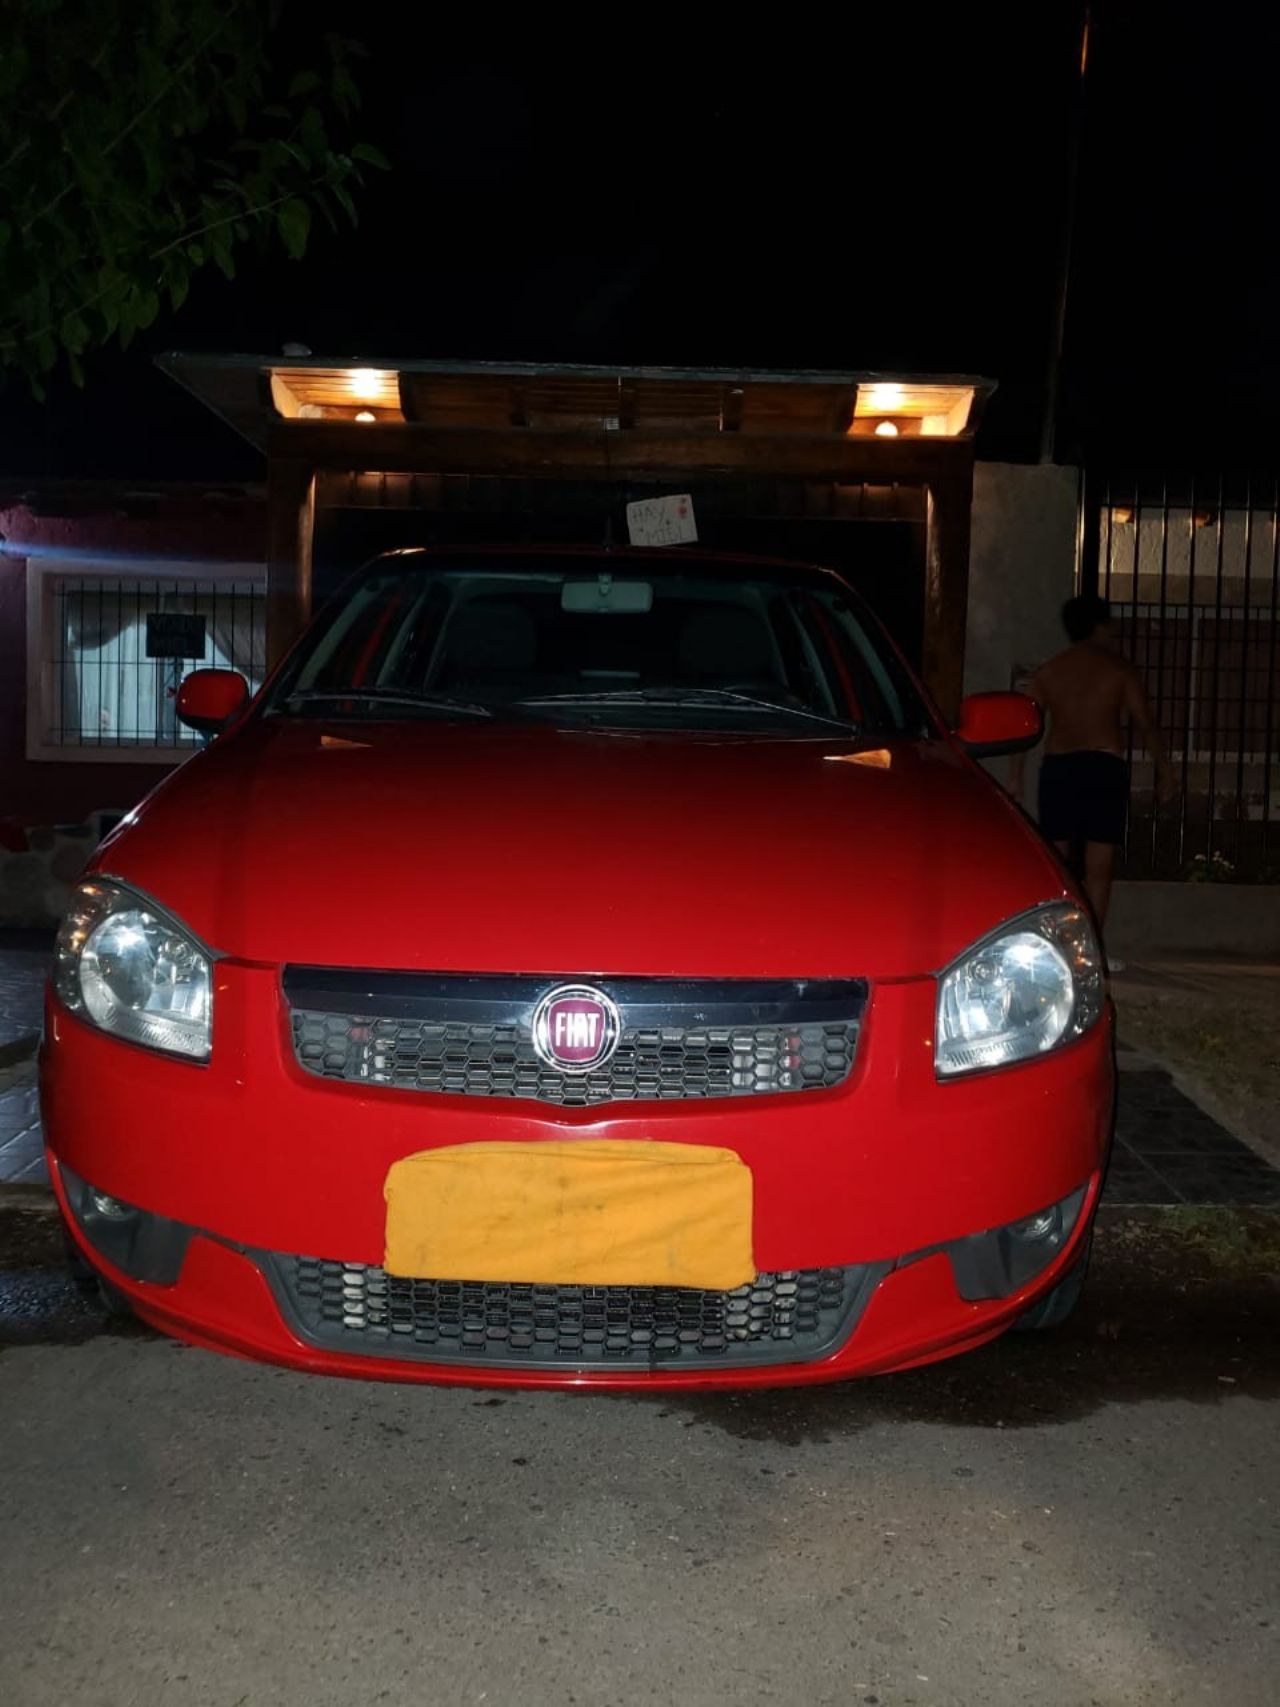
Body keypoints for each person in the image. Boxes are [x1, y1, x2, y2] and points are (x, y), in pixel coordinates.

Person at [1008, 594, 1176, 936]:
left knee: (1058, 861)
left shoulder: (1051, 671)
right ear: (1100, 625)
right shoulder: (1117, 669)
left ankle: (1058, 939)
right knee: (1099, 865)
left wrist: (1016, 776)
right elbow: (1146, 723)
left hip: (1060, 767)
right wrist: (1166, 771)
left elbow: (1025, 726)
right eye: (1109, 623)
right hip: (1103, 766)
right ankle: (1093, 943)